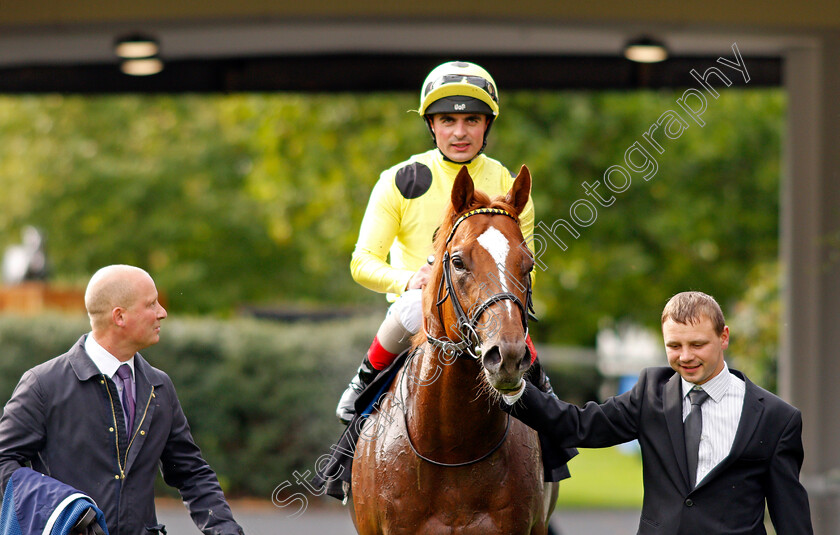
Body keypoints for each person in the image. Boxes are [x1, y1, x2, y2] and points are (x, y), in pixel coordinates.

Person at [337, 59, 550, 423]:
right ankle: (361, 387)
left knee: (545, 403)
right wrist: (408, 280)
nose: (459, 132)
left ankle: (550, 449)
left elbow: (525, 266)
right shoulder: (399, 180)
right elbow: (362, 262)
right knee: (411, 305)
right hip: (417, 312)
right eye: (447, 120)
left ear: (487, 125)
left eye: (472, 120)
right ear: (431, 125)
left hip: (487, 308)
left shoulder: (510, 185)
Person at [501, 291, 813, 534]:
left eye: (697, 344)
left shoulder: (776, 418)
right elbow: (578, 426)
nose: (686, 356)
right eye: (674, 346)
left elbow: (792, 520)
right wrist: (513, 388)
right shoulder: (651, 392)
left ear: (724, 337)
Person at [0, 265, 244, 535]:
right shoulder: (42, 384)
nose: (162, 312)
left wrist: (226, 531)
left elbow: (191, 473)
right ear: (119, 317)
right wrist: (64, 510)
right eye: (151, 304)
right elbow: (3, 461)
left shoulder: (159, 385)